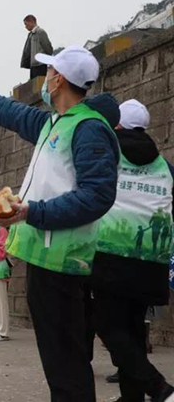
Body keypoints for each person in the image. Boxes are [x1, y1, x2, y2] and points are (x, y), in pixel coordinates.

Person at [0, 45, 120, 402]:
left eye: (49, 72)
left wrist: (32, 212)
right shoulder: (54, 123)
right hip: (45, 257)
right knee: (59, 362)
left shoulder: (89, 128)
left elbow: (98, 196)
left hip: (62, 259)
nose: (45, 79)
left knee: (67, 365)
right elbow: (11, 112)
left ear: (59, 79)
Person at [91, 99, 174, 402]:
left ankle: (158, 387)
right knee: (133, 329)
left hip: (112, 255)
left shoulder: (109, 154)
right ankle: (132, 397)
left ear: (117, 125)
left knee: (107, 324)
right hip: (152, 260)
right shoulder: (164, 165)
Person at [20, 14, 53, 80]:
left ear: (31, 22)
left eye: (26, 24)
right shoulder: (31, 35)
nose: (26, 27)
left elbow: (48, 48)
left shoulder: (40, 32)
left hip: (40, 65)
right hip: (33, 66)